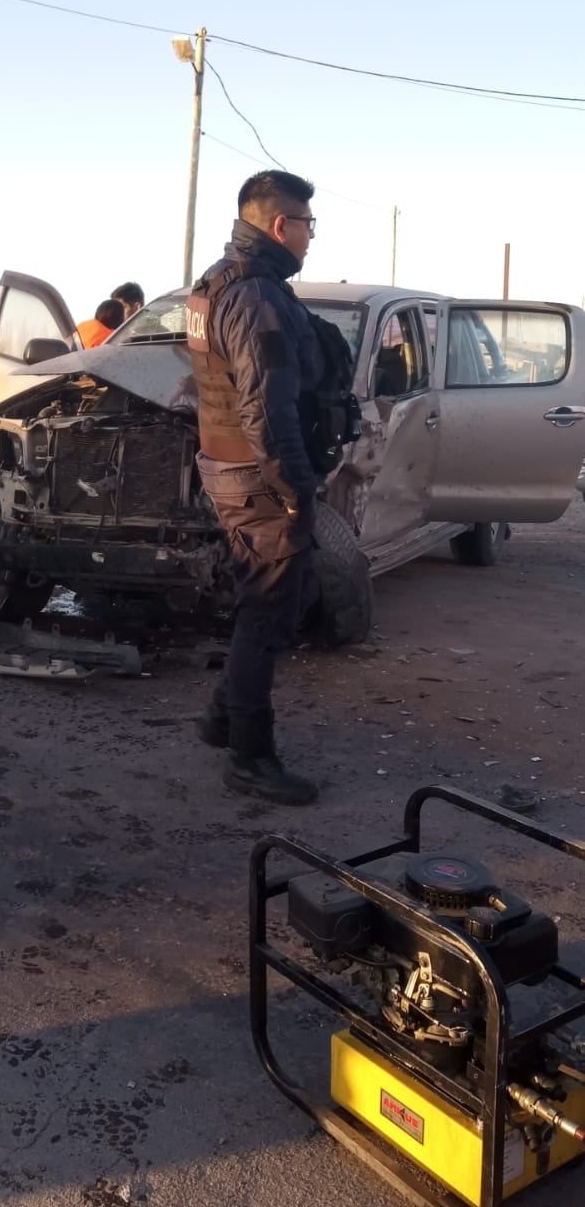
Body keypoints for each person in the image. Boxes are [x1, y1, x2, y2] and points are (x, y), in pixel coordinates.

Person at [187, 169, 338, 807]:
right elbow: (267, 412)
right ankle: (250, 756)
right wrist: (297, 488)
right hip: (259, 476)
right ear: (281, 225)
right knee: (269, 610)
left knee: (266, 599)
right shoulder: (256, 296)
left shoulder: (215, 283)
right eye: (308, 224)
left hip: (230, 467)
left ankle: (224, 717)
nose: (311, 237)